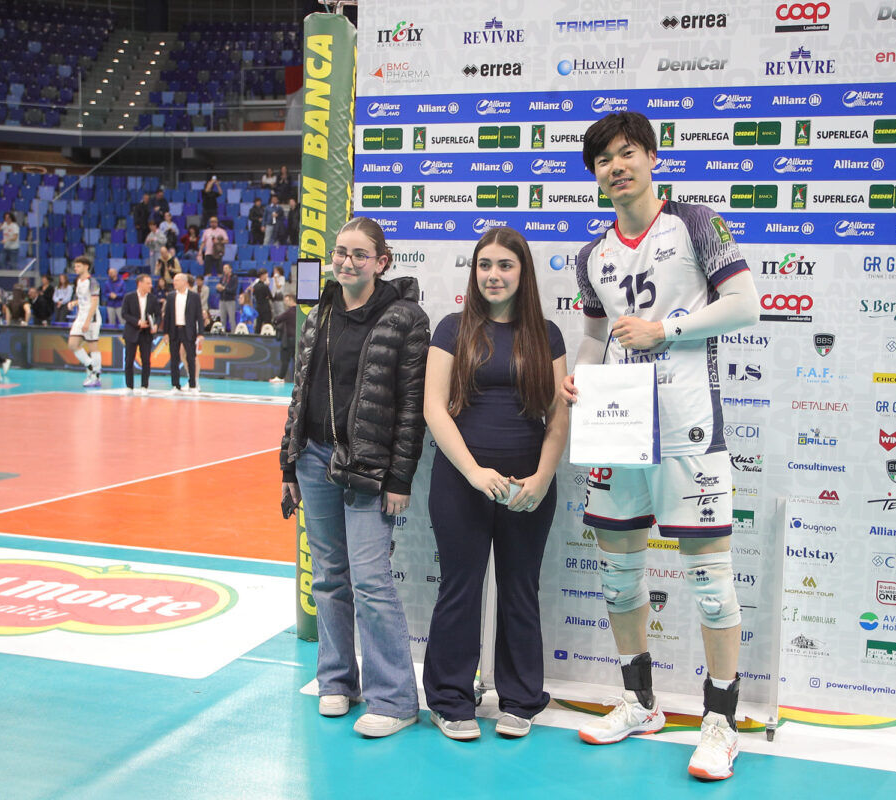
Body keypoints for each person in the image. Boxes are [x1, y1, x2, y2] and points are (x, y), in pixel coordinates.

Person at [559, 112, 760, 781]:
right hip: (618, 426)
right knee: (619, 576)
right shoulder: (591, 255)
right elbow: (595, 337)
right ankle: (640, 703)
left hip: (687, 425)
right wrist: (580, 377)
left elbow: (745, 305)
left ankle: (720, 722)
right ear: (595, 175)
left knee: (711, 583)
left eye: (627, 154)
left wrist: (665, 330)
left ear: (651, 157)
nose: (616, 168)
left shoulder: (696, 223)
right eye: (603, 160)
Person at [278, 216, 429, 736]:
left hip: (369, 468)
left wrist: (400, 479)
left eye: (359, 254)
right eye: (341, 252)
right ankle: (338, 680)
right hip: (313, 458)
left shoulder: (406, 318)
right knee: (328, 577)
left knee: (370, 580)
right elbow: (301, 392)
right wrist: (288, 461)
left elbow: (411, 408)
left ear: (381, 262)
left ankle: (395, 699)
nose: (346, 261)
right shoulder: (320, 312)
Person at [422, 227, 568, 741]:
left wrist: (542, 478)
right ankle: (449, 700)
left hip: (527, 486)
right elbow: (434, 408)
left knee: (520, 590)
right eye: (485, 265)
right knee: (459, 588)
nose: (494, 275)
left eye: (505, 265)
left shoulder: (547, 335)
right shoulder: (451, 329)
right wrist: (473, 472)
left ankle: (521, 699)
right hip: (461, 481)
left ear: (523, 272)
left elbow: (558, 416)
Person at [163, 271, 203, 392]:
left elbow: (199, 316)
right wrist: (165, 333)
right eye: (174, 280)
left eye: (177, 280)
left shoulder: (194, 296)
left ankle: (193, 384)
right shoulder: (171, 296)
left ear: (184, 282)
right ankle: (175, 385)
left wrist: (200, 333)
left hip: (188, 330)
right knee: (174, 359)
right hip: (174, 330)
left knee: (191, 357)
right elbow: (167, 316)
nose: (174, 282)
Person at [67, 256, 104, 387]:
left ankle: (96, 376)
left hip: (91, 318)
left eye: (78, 266)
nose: (75, 268)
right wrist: (74, 303)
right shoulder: (78, 281)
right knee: (72, 344)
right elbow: (84, 298)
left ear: (86, 267)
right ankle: (91, 366)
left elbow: (94, 302)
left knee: (92, 346)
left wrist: (87, 321)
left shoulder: (93, 282)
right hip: (80, 316)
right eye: (75, 266)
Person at [121, 274, 158, 394]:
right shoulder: (129, 297)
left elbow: (158, 315)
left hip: (146, 334)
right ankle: (129, 386)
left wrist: (156, 325)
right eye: (148, 283)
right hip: (131, 332)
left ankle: (144, 386)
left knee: (146, 361)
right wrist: (137, 322)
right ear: (140, 284)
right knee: (129, 360)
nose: (150, 285)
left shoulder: (153, 298)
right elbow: (124, 314)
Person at [269, 293, 296, 384]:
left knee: (285, 359)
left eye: (287, 300)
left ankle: (281, 377)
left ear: (291, 300)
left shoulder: (289, 312)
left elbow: (277, 319)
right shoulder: (299, 312)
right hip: (297, 339)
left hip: (288, 340)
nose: (285, 302)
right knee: (296, 360)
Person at [216, 262, 239, 332]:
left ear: (230, 269)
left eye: (226, 268)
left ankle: (233, 333)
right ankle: (222, 332)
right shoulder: (222, 278)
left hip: (230, 301)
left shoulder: (234, 278)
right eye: (224, 268)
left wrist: (224, 288)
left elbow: (233, 290)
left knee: (231, 319)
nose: (224, 270)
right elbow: (219, 289)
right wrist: (218, 288)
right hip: (222, 300)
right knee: (222, 319)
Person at [251, 268, 273, 334]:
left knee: (258, 324)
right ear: (262, 275)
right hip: (265, 307)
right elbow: (270, 296)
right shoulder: (265, 286)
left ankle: (256, 336)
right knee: (267, 324)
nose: (267, 277)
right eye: (266, 275)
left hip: (258, 306)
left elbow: (254, 294)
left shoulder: (255, 286)